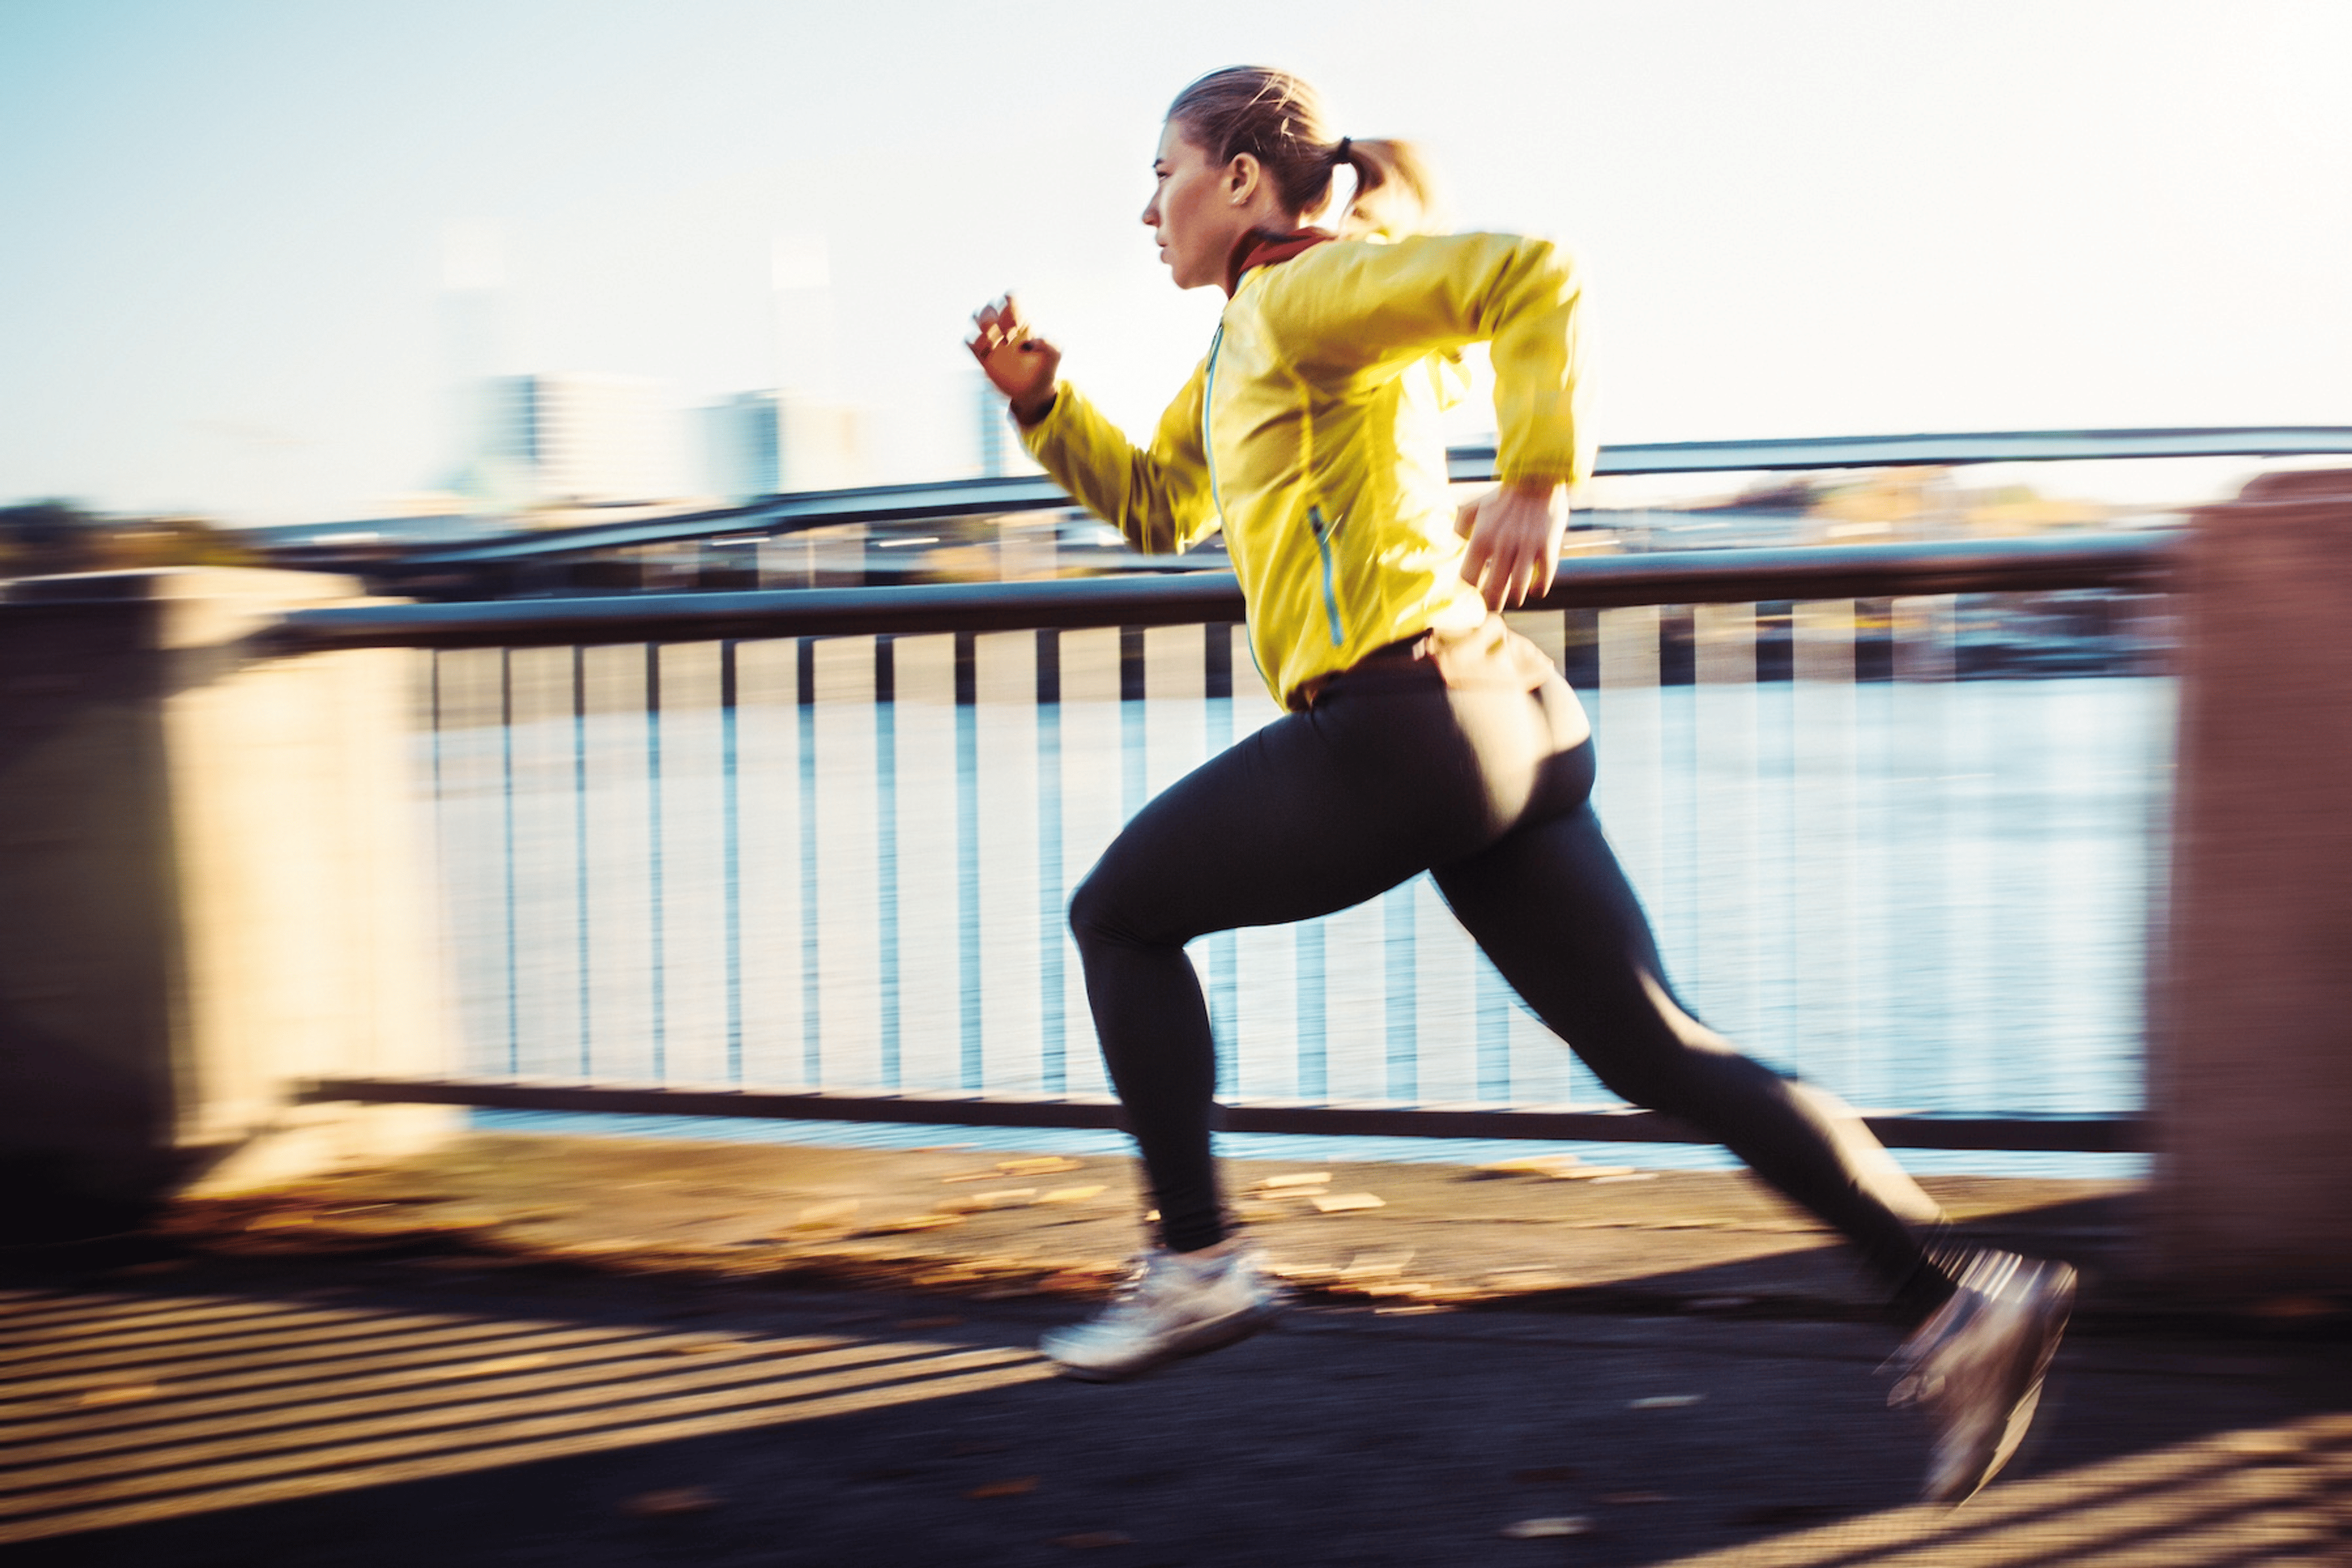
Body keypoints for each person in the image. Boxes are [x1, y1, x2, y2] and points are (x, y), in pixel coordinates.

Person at [967, 65, 2073, 1506]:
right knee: (1660, 1049)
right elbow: (1168, 505)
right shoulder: (1253, 336)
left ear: (1243, 178)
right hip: (1500, 716)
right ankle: (1954, 1297)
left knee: (1119, 915)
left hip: (1405, 717)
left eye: (1164, 170)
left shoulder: (1304, 293)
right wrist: (1046, 404)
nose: (1146, 207)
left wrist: (1541, 472)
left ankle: (1194, 1259)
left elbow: (1533, 272)